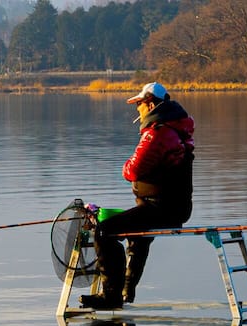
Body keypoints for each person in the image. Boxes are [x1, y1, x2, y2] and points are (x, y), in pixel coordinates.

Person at [81, 82, 194, 310]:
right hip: (170, 207)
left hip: (160, 208)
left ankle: (111, 297)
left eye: (140, 104)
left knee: (104, 231)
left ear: (150, 104)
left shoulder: (158, 133)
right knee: (136, 235)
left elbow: (132, 169)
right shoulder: (173, 130)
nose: (138, 110)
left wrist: (125, 167)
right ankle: (125, 291)